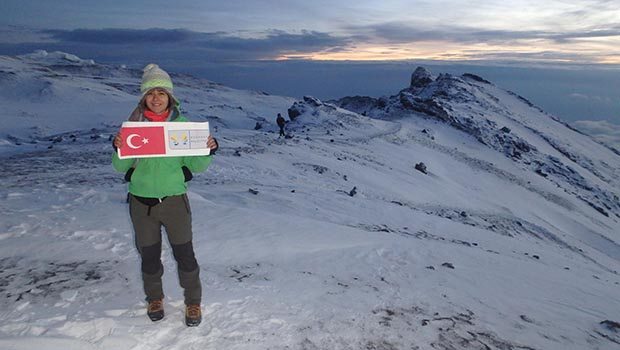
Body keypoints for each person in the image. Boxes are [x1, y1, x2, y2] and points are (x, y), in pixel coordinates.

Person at [112, 64, 218, 327]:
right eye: (150, 93)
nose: (156, 98)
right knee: (148, 255)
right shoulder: (134, 127)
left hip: (174, 202)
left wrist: (207, 150)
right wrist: (118, 148)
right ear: (144, 98)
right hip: (140, 202)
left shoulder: (182, 126)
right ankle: (154, 298)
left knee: (185, 254)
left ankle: (193, 302)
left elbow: (196, 167)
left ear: (170, 97)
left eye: (161, 92)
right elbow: (120, 167)